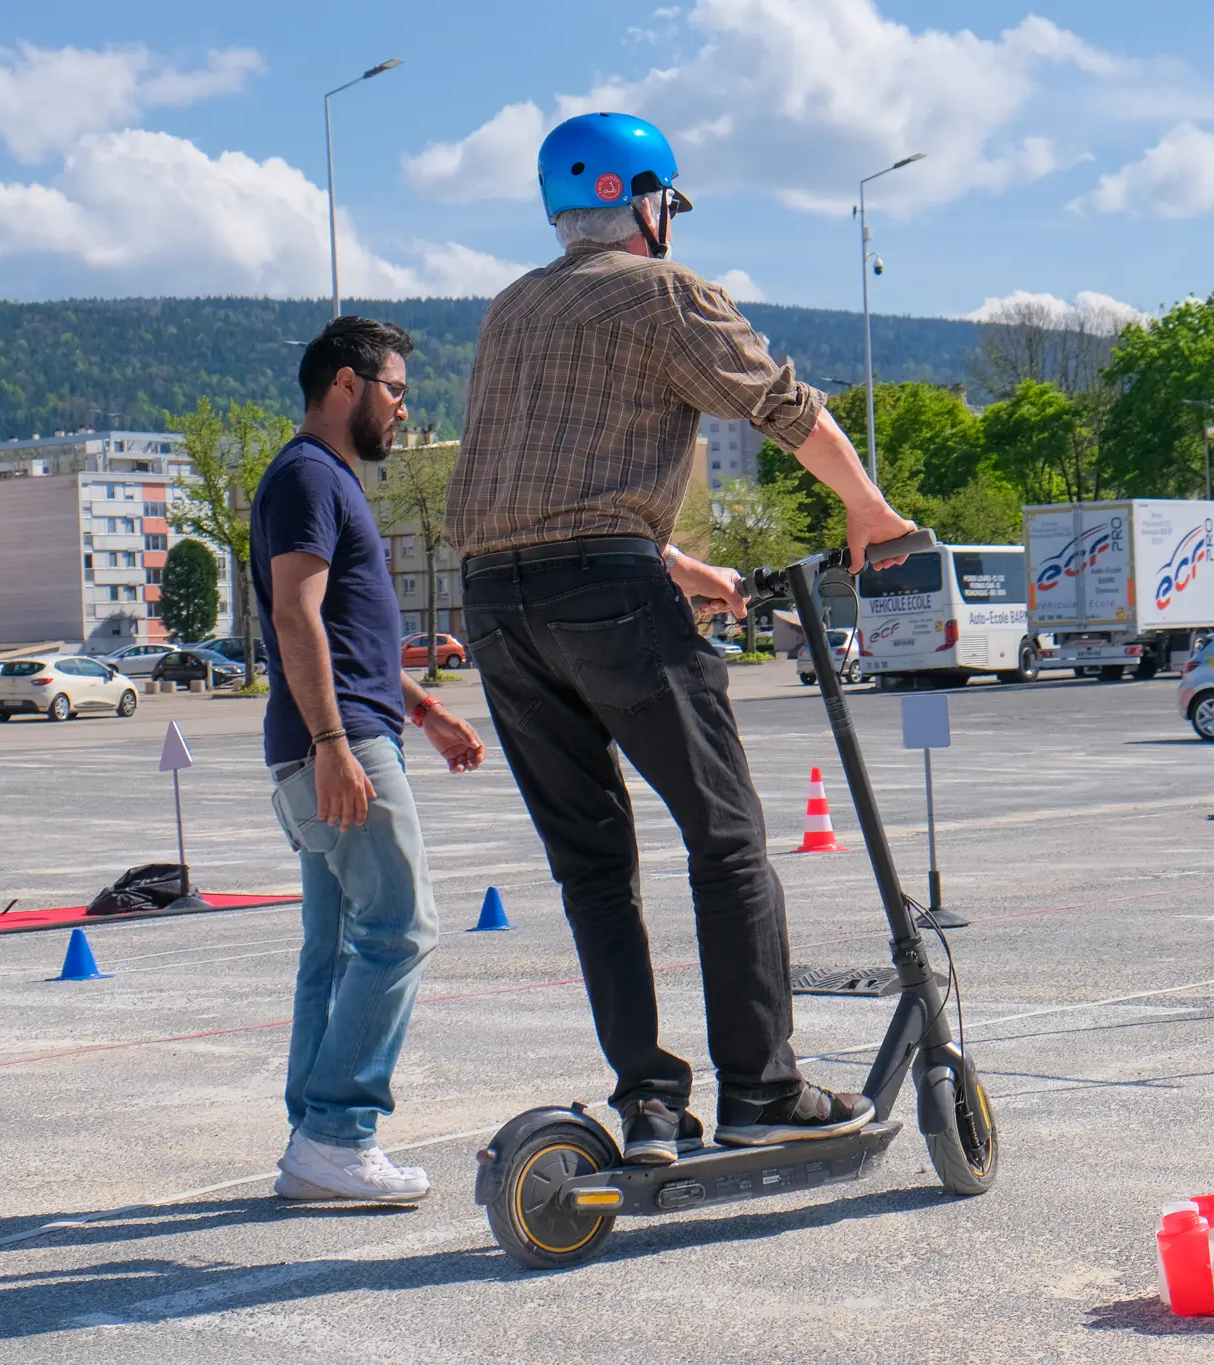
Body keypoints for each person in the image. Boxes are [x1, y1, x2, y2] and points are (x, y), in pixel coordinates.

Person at [446, 112, 917, 1165]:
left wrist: (669, 563)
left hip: (497, 608)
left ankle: (649, 1104)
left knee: (592, 865)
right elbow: (777, 404)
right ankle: (760, 1087)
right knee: (727, 839)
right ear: (643, 199)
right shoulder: (664, 291)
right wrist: (868, 510)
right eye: (665, 201)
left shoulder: (509, 309)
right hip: (605, 596)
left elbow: (535, 489)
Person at [256, 315, 486, 1202]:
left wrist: (424, 711)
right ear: (346, 384)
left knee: (337, 946)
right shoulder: (312, 477)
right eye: (395, 390)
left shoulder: (321, 479)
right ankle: (336, 1132)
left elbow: (351, 637)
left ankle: (314, 1136)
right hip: (337, 744)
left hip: (344, 735)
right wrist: (334, 746)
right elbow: (295, 618)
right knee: (400, 928)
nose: (402, 409)